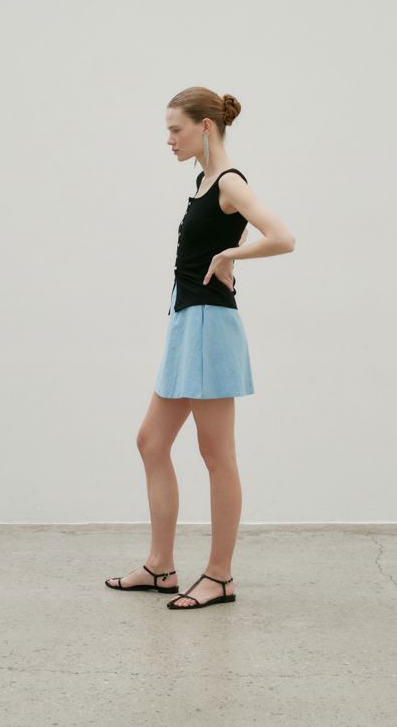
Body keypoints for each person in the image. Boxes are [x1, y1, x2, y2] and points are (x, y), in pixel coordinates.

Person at [105, 86, 296, 610]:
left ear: (205, 127)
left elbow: (283, 237)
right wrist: (227, 252)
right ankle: (160, 566)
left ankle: (219, 576)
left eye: (176, 129)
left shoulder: (230, 181)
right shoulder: (203, 181)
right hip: (188, 322)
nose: (169, 139)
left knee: (216, 455)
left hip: (210, 327)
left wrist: (231, 254)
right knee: (151, 441)